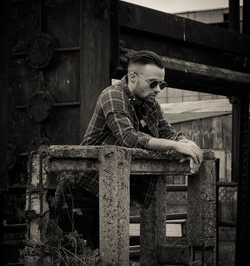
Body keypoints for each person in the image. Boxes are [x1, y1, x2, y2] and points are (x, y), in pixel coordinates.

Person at [55, 50, 203, 249]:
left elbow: (168, 132)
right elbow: (129, 137)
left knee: (107, 253)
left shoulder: (151, 104)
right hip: (80, 190)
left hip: (111, 192)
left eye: (162, 84)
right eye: (153, 83)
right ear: (133, 76)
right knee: (74, 254)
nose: (159, 89)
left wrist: (186, 142)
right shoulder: (112, 95)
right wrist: (176, 146)